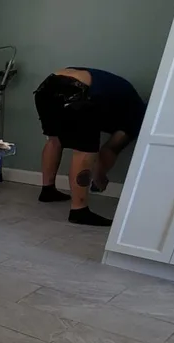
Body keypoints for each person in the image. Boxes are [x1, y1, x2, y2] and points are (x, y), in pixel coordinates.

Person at [34, 67, 146, 226]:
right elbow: (110, 149)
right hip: (79, 91)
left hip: (47, 86)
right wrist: (99, 176)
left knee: (54, 140)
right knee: (84, 150)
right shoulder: (138, 116)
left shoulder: (126, 101)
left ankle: (48, 190)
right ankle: (79, 211)